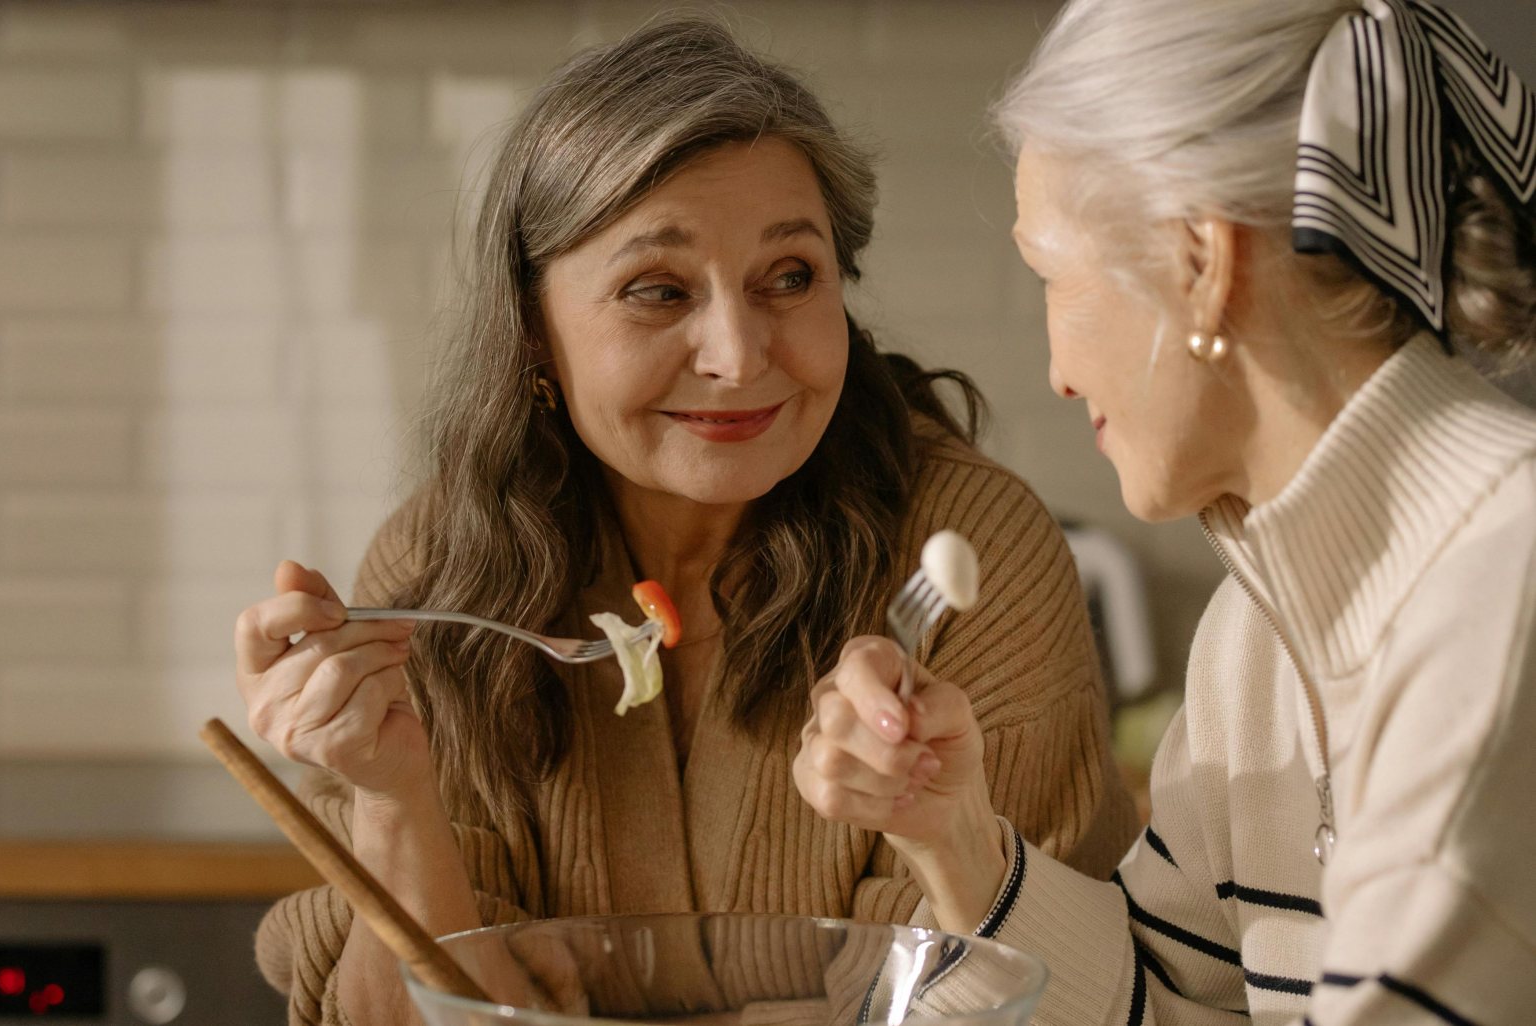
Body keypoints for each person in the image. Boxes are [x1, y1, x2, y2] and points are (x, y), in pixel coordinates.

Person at [233, 18, 1138, 1026]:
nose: (739, 354)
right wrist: (393, 799)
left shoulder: (972, 550)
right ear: (533, 326)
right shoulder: (442, 574)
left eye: (789, 278)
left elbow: (1011, 993)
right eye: (657, 291)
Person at [795, 0, 1536, 1023]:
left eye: (1050, 273)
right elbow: (1167, 1003)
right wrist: (952, 834)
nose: (1056, 372)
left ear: (1200, 261)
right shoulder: (1256, 640)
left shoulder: (1503, 598)